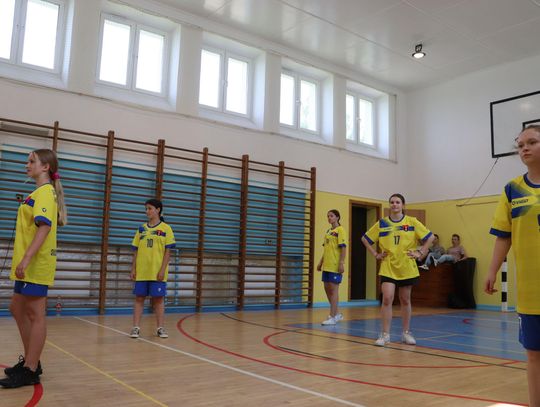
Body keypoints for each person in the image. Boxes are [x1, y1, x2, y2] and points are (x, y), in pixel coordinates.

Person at [0, 149, 67, 388]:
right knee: (17, 308)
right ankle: (32, 361)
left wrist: (27, 258)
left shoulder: (46, 192)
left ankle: (30, 369)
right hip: (28, 262)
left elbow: (44, 227)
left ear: (45, 167)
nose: (27, 164)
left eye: (32, 161)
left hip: (37, 262)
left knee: (35, 314)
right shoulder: (38, 192)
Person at [485, 124, 540, 407]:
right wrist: (492, 271)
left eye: (532, 142)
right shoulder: (512, 190)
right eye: (520, 145)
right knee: (534, 355)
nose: (525, 148)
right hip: (531, 293)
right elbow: (503, 237)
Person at [362, 193, 433, 346]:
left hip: (407, 266)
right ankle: (385, 334)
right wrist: (375, 254)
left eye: (397, 202)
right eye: (392, 202)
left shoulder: (412, 222)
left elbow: (430, 237)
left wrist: (420, 252)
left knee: (405, 300)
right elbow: (365, 239)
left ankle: (406, 333)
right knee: (387, 298)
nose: (394, 204)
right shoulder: (382, 223)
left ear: (403, 205)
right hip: (388, 266)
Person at [130, 199, 176, 339]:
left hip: (157, 272)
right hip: (142, 271)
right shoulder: (141, 229)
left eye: (149, 208)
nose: (147, 211)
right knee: (139, 299)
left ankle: (160, 328)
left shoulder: (166, 228)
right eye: (146, 209)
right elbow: (135, 251)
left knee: (158, 300)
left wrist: (162, 270)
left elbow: (168, 252)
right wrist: (133, 269)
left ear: (158, 210)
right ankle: (135, 328)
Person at [317, 209, 347, 326]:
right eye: (328, 216)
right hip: (327, 266)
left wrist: (341, 263)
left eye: (331, 216)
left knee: (334, 291)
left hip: (335, 265)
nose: (329, 218)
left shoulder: (341, 230)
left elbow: (343, 248)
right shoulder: (328, 231)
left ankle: (332, 317)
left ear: (337, 217)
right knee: (327, 289)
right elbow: (326, 249)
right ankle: (337, 313)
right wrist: (320, 262)